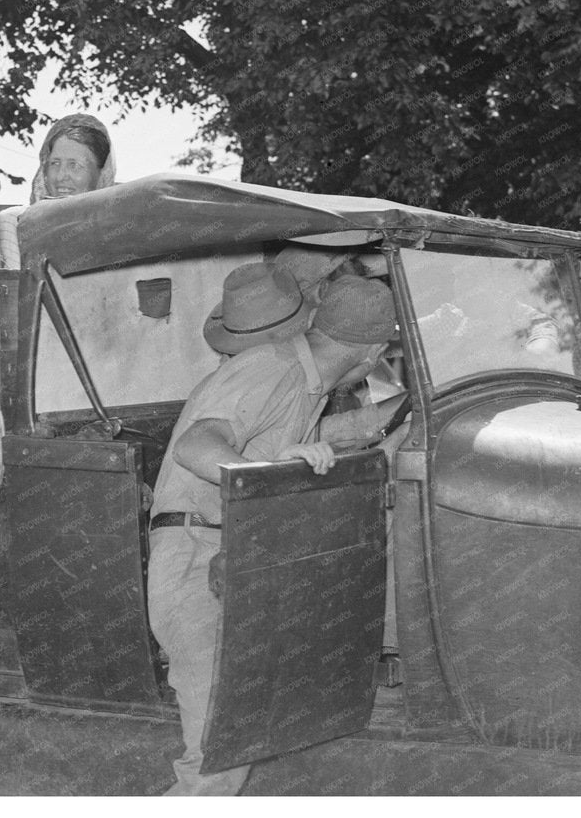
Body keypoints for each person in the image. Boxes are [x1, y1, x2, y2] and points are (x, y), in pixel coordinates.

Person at [147, 267, 398, 795]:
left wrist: (414, 407)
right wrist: (266, 477)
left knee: (238, 738)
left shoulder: (303, 381)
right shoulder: (273, 368)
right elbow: (196, 446)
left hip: (230, 558)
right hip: (197, 557)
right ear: (373, 356)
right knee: (221, 751)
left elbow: (323, 435)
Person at [0, 113, 117, 268]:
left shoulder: (118, 226)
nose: (61, 176)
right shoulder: (16, 222)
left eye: (74, 165)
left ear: (101, 173)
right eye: (55, 163)